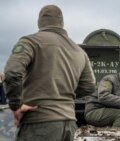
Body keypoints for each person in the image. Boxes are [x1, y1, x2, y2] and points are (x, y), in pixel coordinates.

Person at [3, 5, 96, 141]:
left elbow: (12, 73)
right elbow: (90, 86)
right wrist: (63, 96)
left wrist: (16, 106)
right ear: (61, 23)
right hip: (69, 124)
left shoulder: (30, 42)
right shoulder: (79, 52)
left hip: (39, 122)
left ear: (39, 22)